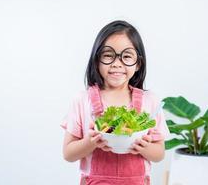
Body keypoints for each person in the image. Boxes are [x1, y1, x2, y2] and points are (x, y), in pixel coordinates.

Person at [61, 20, 170, 185]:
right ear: (97, 60)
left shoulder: (150, 101)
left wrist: (144, 147)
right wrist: (89, 143)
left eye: (126, 56)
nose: (117, 63)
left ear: (138, 63)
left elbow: (159, 154)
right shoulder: (82, 100)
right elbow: (68, 154)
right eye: (108, 55)